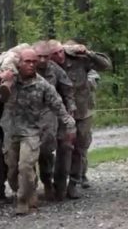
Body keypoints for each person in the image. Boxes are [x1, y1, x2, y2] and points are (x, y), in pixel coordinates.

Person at [0, 47, 76, 215]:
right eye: (27, 61)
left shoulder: (43, 85)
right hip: (11, 131)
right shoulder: (10, 78)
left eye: (34, 61)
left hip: (31, 131)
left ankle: (23, 200)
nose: (32, 65)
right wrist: (3, 81)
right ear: (19, 62)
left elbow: (58, 106)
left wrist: (70, 124)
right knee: (12, 169)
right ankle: (26, 190)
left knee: (25, 166)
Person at [48, 39, 111, 200]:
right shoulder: (47, 66)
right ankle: (59, 184)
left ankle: (74, 183)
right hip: (60, 114)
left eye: (60, 52)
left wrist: (88, 52)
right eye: (54, 54)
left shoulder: (78, 59)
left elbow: (105, 65)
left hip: (83, 111)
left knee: (79, 149)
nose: (59, 56)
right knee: (63, 148)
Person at [32, 41, 76, 201]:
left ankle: (55, 184)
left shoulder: (54, 69)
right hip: (30, 114)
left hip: (52, 112)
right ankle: (34, 186)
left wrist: (70, 108)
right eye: (39, 57)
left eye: (45, 57)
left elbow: (68, 88)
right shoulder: (27, 67)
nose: (42, 60)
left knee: (53, 148)